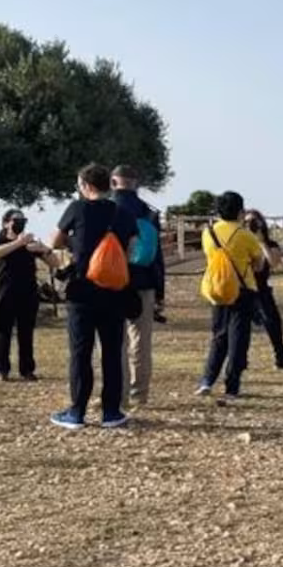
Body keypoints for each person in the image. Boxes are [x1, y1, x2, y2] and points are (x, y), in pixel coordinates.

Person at [47, 163, 138, 430]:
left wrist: (75, 243)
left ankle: (77, 412)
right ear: (109, 185)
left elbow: (53, 241)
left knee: (80, 352)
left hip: (82, 291)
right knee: (111, 351)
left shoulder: (77, 209)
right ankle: (111, 411)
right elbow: (131, 249)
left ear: (85, 186)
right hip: (114, 290)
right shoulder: (122, 213)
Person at [197, 191, 265, 401]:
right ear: (240, 211)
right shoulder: (245, 235)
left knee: (218, 336)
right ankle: (231, 386)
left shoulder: (208, 232)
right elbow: (259, 264)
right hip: (242, 290)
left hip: (216, 289)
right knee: (238, 340)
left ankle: (207, 381)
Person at [111, 165, 166, 406]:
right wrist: (160, 291)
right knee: (141, 341)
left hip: (112, 281)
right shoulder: (149, 212)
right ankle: (139, 393)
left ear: (113, 182)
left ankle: (118, 394)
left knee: (115, 341)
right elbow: (158, 256)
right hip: (144, 280)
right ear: (137, 183)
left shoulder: (107, 209)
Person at [0, 208, 54, 382]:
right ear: (6, 223)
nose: (19, 223)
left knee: (26, 334)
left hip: (28, 294)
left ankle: (27, 370)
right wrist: (19, 242)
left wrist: (43, 249)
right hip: (5, 293)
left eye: (22, 220)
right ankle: (1, 370)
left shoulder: (30, 244)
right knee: (3, 333)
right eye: (15, 220)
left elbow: (55, 263)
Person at [243, 210, 283, 370]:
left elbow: (274, 262)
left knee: (273, 322)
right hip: (244, 288)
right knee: (241, 325)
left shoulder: (270, 245)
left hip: (262, 289)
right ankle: (240, 359)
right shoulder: (241, 243)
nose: (251, 225)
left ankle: (281, 358)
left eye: (254, 222)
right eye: (247, 222)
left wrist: (261, 242)